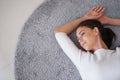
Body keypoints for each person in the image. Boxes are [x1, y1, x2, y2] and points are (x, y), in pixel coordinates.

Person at [54, 6, 120, 80]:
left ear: (95, 31)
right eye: (78, 39)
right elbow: (59, 33)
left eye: (82, 34)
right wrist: (85, 18)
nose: (80, 41)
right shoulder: (83, 59)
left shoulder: (118, 52)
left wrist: (109, 21)